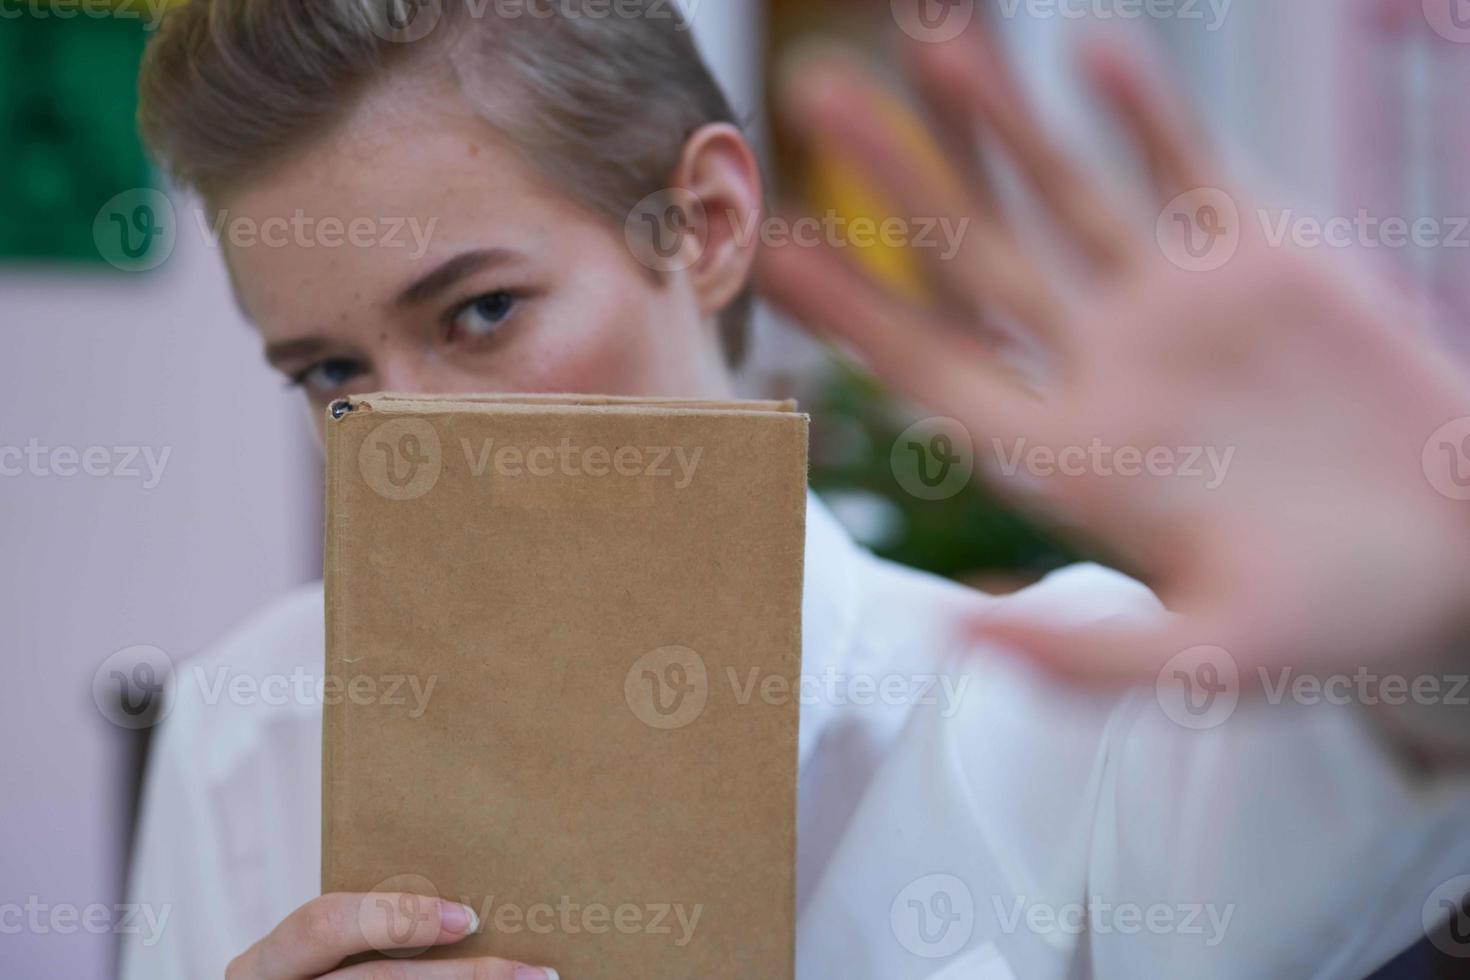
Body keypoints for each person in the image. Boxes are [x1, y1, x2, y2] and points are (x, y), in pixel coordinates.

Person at [122, 2, 1470, 978]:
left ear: (701, 224)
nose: (397, 439)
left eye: (479, 312)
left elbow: (1364, 821)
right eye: (328, 372)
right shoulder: (243, 732)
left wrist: (1433, 602)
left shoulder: (1055, 711)